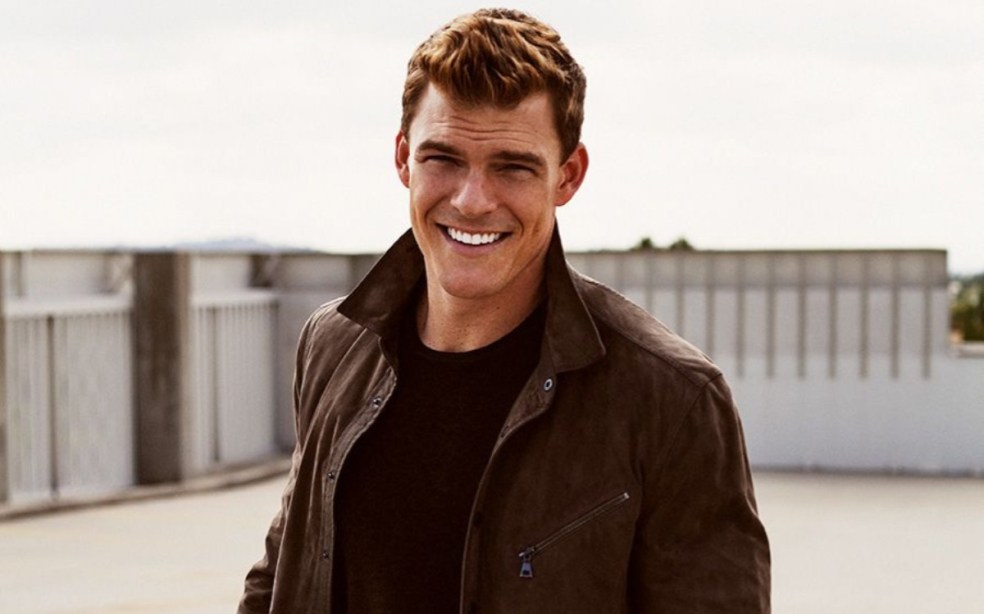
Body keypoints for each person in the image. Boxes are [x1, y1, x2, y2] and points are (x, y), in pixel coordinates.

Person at [239, 8, 770, 613]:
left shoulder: (671, 399)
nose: (472, 201)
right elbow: (281, 571)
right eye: (443, 159)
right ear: (403, 159)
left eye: (512, 166)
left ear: (568, 176)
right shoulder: (334, 343)